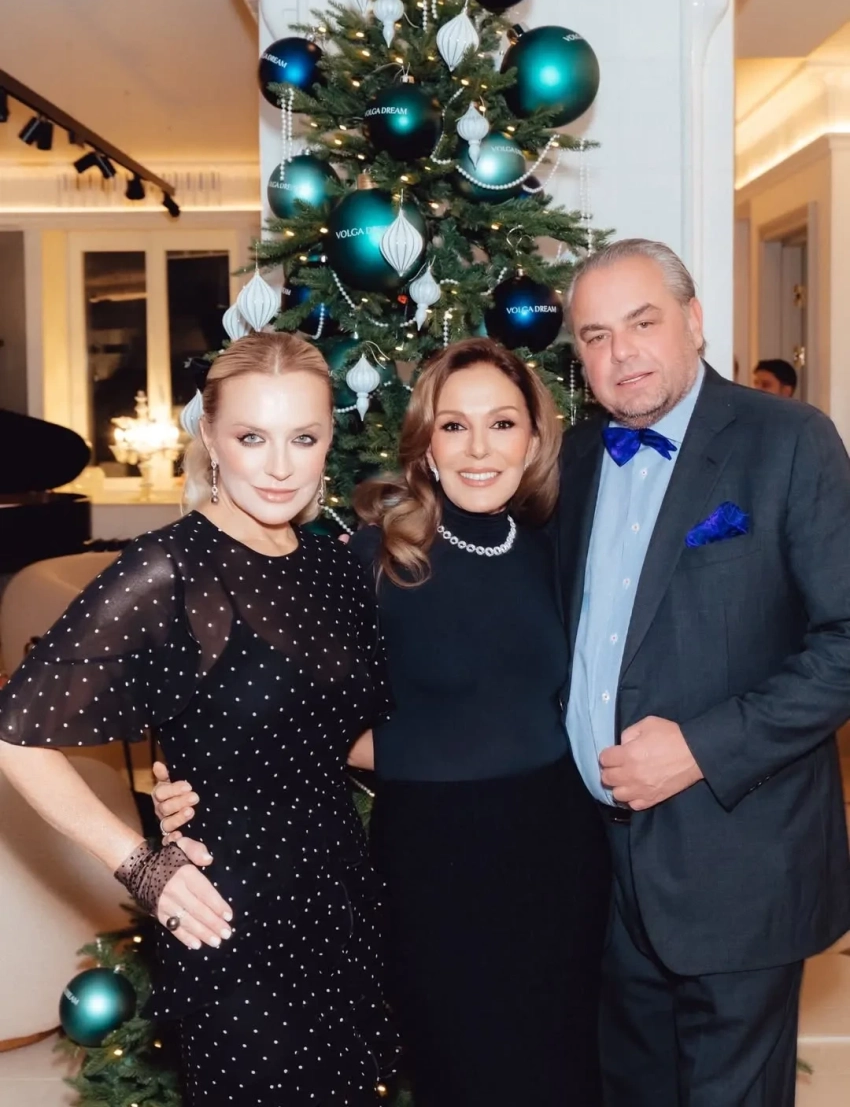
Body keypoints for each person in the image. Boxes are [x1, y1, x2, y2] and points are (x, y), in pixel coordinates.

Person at [155, 338, 611, 1107]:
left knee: (565, 1070)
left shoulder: (553, 546)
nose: (478, 448)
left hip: (561, 854)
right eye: (454, 425)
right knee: (463, 1072)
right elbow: (263, 700)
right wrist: (183, 783)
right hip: (435, 861)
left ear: (535, 439)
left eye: (502, 424)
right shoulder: (369, 558)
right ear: (426, 443)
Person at [0, 332, 398, 1107]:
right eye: (252, 437)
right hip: (226, 914)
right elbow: (17, 733)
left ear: (329, 439)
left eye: (304, 437)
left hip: (343, 901)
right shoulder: (171, 567)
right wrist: (140, 863)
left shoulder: (333, 566)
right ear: (211, 437)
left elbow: (338, 733)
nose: (279, 466)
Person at [561, 238, 850, 1106]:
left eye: (642, 322)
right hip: (602, 877)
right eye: (596, 336)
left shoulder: (788, 439)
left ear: (693, 320)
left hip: (738, 866)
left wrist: (699, 747)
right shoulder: (575, 457)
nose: (621, 353)